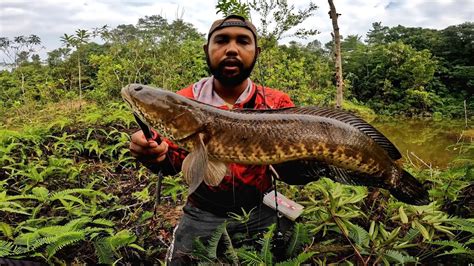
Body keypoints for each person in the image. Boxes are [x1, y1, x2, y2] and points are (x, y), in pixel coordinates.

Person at [129, 14, 295, 264]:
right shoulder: (183, 102)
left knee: (287, 253)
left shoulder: (276, 103)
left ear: (256, 51)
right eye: (221, 41)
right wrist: (154, 154)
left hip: (260, 206)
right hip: (203, 210)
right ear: (207, 49)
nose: (231, 49)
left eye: (242, 41)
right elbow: (172, 160)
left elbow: (294, 172)